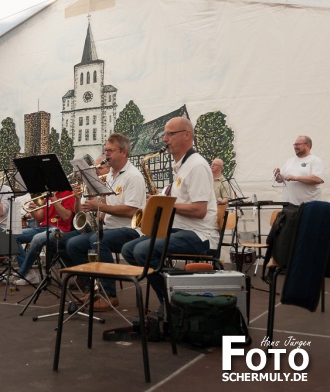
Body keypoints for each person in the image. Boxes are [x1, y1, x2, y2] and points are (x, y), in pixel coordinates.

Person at [121, 117, 219, 317]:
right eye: (164, 134)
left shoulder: (197, 166)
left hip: (200, 234)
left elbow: (199, 210)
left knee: (143, 251)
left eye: (170, 134)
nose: (165, 139)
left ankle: (171, 303)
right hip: (179, 230)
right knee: (128, 250)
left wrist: (165, 204)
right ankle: (174, 294)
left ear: (187, 135)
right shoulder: (182, 166)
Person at [66, 133, 146, 311]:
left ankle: (109, 295)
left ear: (124, 152)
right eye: (105, 150)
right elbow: (110, 204)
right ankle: (92, 290)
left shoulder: (133, 176)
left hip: (131, 229)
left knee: (97, 240)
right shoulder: (110, 175)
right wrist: (96, 206)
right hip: (110, 228)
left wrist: (99, 206)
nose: (106, 154)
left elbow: (131, 211)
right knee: (73, 244)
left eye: (110, 150)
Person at [11, 190, 75, 286]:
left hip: (59, 229)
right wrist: (33, 210)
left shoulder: (68, 193)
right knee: (12, 235)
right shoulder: (47, 195)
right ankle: (30, 273)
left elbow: (66, 217)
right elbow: (40, 218)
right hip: (44, 227)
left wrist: (53, 198)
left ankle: (22, 272)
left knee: (37, 238)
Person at [273, 135, 324, 205]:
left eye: (298, 144)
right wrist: (277, 175)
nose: (295, 147)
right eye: (294, 145)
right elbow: (280, 180)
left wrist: (295, 178)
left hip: (308, 206)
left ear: (307, 145)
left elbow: (318, 179)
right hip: (289, 206)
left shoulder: (315, 160)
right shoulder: (289, 161)